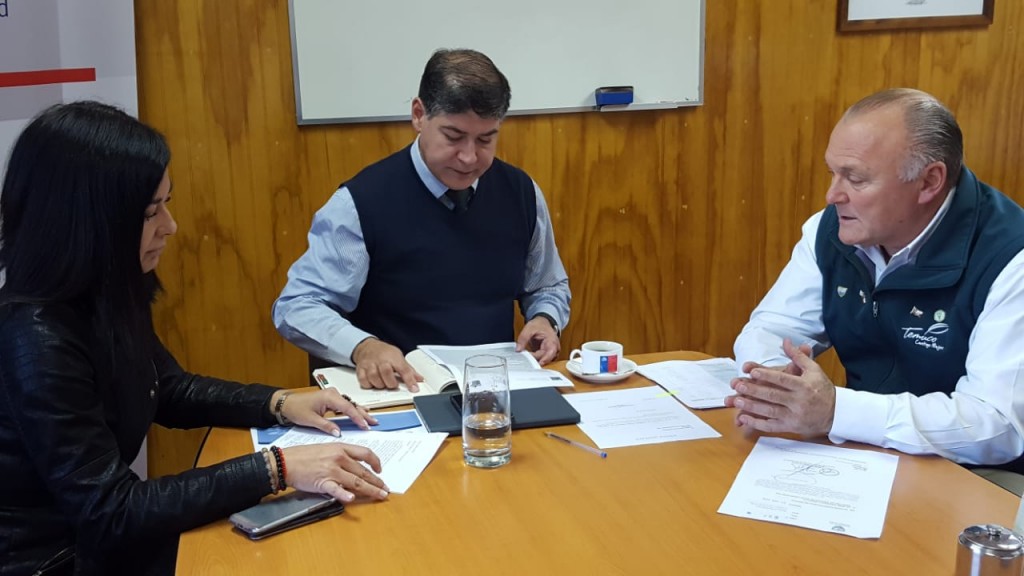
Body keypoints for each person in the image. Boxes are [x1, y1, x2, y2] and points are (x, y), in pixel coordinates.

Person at [0, 102, 390, 576]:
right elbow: (110, 511)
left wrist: (279, 403)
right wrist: (276, 468)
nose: (170, 226)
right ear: (88, 222)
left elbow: (166, 387)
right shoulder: (34, 337)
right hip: (57, 561)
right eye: (151, 212)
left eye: (167, 203)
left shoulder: (104, 292)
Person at [729, 88, 1024, 481]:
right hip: (864, 453)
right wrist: (776, 390)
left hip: (976, 475)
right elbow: (771, 328)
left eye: (855, 179)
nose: (832, 195)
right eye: (832, 173)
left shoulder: (1011, 258)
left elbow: (998, 424)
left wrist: (837, 412)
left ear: (929, 182)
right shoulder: (831, 230)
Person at [273, 48, 571, 390]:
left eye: (485, 140)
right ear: (418, 114)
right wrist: (362, 347)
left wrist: (545, 318)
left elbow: (547, 284)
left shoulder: (521, 192)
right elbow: (297, 305)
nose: (469, 157)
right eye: (453, 137)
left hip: (495, 391)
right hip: (400, 392)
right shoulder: (360, 203)